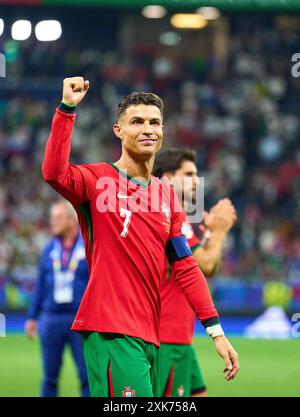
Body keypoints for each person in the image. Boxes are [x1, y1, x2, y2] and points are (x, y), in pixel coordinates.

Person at [41, 76, 239, 397]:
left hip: (151, 333)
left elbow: (187, 267)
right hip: (110, 329)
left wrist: (216, 331)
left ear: (162, 132)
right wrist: (67, 110)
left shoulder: (165, 196)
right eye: (137, 122)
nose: (147, 129)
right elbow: (53, 173)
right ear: (118, 131)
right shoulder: (98, 179)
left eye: (154, 123)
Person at [153, 148, 237, 397]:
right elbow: (207, 266)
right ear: (167, 178)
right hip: (167, 337)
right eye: (188, 174)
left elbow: (197, 264)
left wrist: (210, 235)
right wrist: (220, 232)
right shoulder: (167, 216)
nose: (195, 181)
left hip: (178, 336)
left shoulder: (175, 218)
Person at [25, 199, 90, 397]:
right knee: (49, 377)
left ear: (72, 221)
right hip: (51, 319)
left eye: (58, 218)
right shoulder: (48, 250)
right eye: (52, 218)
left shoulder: (88, 247)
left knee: (87, 375)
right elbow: (40, 286)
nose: (52, 222)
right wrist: (32, 317)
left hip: (80, 320)